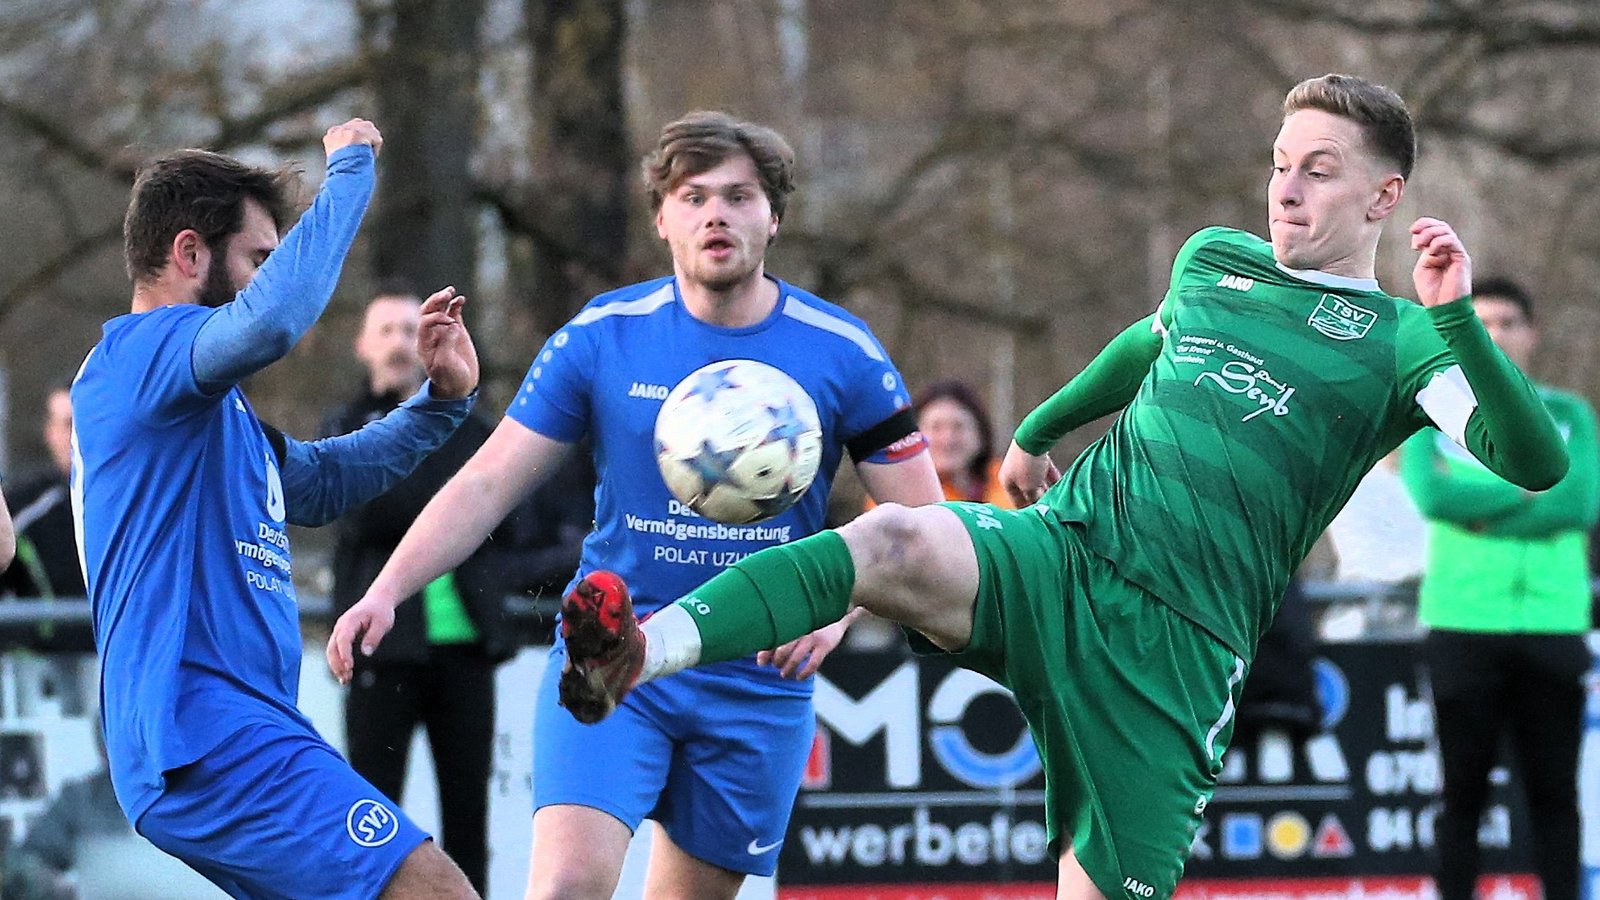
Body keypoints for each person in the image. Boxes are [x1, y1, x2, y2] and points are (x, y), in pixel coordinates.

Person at [519, 75, 1571, 900]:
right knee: (893, 540)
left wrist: (1455, 319)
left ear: (1385, 195)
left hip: (1175, 655)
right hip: (1063, 553)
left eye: (1321, 170)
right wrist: (1037, 430)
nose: (1286, 188)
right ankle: (636, 651)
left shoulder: (1398, 342)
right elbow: (1145, 345)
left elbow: (1534, 463)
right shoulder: (1216, 260)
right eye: (1279, 164)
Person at [328, 110, 943, 900]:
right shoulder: (603, 338)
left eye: (740, 196)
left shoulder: (844, 352)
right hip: (614, 657)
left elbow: (923, 527)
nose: (716, 213)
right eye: (693, 197)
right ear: (661, 218)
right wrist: (385, 591)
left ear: (775, 218)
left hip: (754, 674)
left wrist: (840, 603)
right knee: (565, 889)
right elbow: (486, 484)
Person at [73, 119, 481, 898]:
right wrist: (351, 169)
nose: (271, 276)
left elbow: (323, 483)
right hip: (201, 734)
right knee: (433, 889)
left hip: (234, 732)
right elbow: (273, 322)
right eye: (260, 258)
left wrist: (440, 406)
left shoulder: (210, 411)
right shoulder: (139, 356)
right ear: (189, 254)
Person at [324, 286, 592, 894]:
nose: (396, 344)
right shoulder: (342, 428)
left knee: (468, 815)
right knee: (371, 815)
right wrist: (454, 495)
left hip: (466, 649)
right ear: (362, 347)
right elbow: (368, 509)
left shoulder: (471, 428)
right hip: (383, 648)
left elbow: (501, 513)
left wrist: (459, 493)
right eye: (383, 331)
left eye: (405, 330)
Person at [1398, 276, 1596, 900]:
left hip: (1554, 625)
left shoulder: (1569, 414)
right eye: (1480, 322)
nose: (1497, 335)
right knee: (1462, 798)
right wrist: (1530, 485)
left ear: (1531, 333)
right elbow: (1433, 496)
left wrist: (1485, 506)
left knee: (1554, 798)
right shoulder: (1433, 411)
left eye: (1508, 322)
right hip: (1463, 624)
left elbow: (1581, 503)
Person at [0, 386, 86, 601]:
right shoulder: (26, 505)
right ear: (50, 431)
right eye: (68, 424)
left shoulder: (134, 497)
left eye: (84, 422)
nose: (76, 435)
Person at [911, 379, 1011, 505]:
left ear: (980, 434)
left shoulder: (1013, 483)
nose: (947, 439)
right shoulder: (898, 497)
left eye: (958, 427)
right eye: (936, 427)